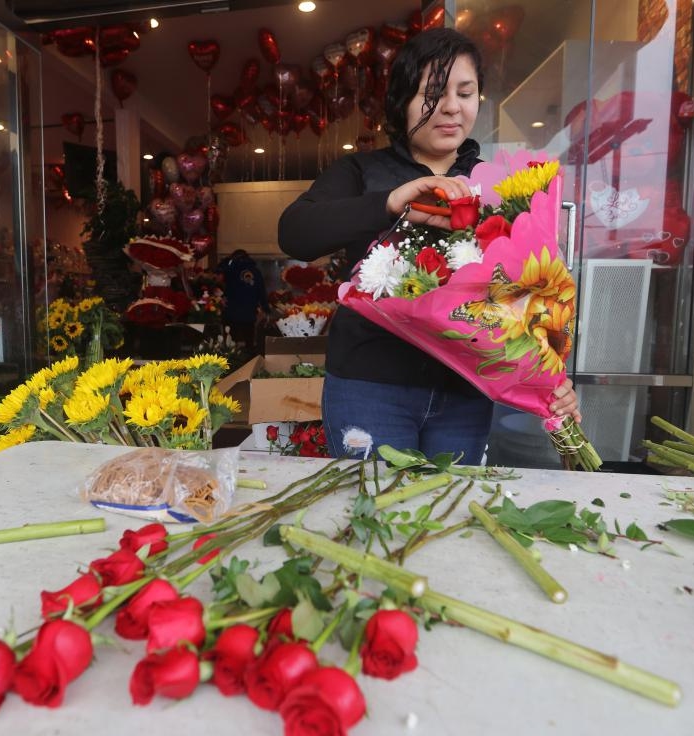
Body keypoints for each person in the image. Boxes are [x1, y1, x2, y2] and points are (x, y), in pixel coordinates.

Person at [278, 27, 579, 461]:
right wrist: (390, 202)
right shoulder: (361, 172)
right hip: (370, 387)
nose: (451, 107)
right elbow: (295, 233)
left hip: (466, 392)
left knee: (450, 519)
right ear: (401, 100)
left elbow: (532, 294)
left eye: (465, 92)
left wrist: (548, 369)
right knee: (378, 515)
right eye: (433, 92)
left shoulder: (500, 186)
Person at [217, 249, 269, 349]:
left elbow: (221, 273)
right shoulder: (255, 271)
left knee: (231, 343)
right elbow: (261, 291)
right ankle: (250, 361)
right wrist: (265, 307)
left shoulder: (230, 270)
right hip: (249, 312)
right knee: (249, 341)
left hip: (232, 312)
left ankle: (233, 362)